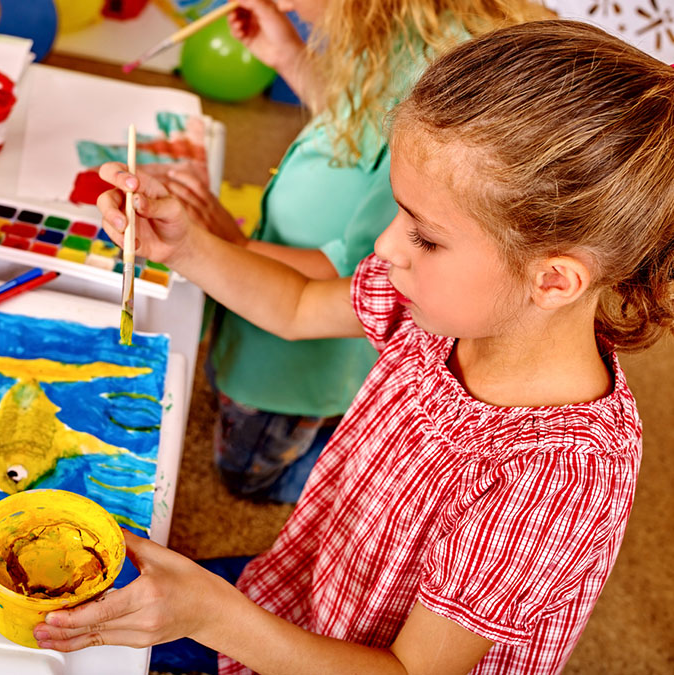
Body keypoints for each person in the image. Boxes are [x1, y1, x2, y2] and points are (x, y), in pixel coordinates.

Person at [34, 20, 674, 674]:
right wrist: (187, 247)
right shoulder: (443, 306)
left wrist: (212, 616)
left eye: (425, 237)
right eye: (399, 213)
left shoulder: (559, 477)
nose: (387, 245)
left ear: (554, 280)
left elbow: (408, 670)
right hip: (308, 591)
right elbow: (296, 305)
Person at [164, 0, 551, 502]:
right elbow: (357, 124)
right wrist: (289, 57)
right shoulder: (401, 29)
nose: (283, 4)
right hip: (274, 293)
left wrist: (232, 245)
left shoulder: (449, 80)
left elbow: (362, 269)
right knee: (231, 384)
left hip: (306, 346)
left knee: (248, 473)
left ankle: (356, 468)